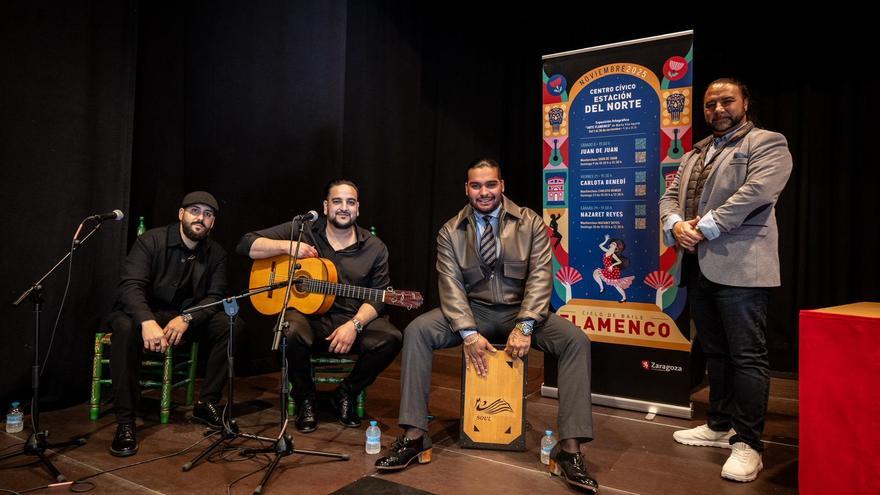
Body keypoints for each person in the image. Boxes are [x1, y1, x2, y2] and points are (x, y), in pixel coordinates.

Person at [376, 159, 598, 493]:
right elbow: (449, 285)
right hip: (472, 312)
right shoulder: (450, 231)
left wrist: (525, 325)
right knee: (417, 331)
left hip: (520, 312)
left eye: (490, 184)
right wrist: (467, 332)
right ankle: (413, 436)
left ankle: (569, 450)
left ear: (502, 185)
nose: (484, 192)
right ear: (467, 189)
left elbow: (540, 277)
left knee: (575, 341)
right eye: (476, 186)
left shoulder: (530, 223)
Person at [659, 78, 793, 482]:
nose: (718, 108)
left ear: (745, 103)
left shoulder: (768, 143)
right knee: (715, 352)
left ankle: (749, 444)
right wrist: (675, 223)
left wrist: (707, 226)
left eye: (726, 101)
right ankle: (719, 426)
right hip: (699, 266)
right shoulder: (695, 152)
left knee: (747, 356)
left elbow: (757, 192)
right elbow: (668, 195)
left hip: (742, 267)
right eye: (710, 103)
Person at [236, 179, 401, 432]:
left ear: (358, 208)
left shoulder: (374, 247)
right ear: (325, 206)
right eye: (337, 201)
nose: (343, 208)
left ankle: (346, 393)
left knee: (391, 338)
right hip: (309, 318)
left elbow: (378, 296)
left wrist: (354, 325)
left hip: (351, 319)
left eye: (350, 202)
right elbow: (246, 243)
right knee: (289, 330)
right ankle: (305, 400)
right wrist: (289, 246)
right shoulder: (304, 230)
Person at [105, 191, 241, 457]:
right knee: (123, 328)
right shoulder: (150, 241)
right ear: (181, 214)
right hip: (143, 312)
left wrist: (187, 317)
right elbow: (131, 286)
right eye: (195, 211)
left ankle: (207, 402)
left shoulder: (216, 253)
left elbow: (215, 297)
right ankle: (125, 422)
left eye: (208, 214)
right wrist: (147, 321)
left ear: (213, 222)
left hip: (183, 318)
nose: (200, 218)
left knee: (231, 323)